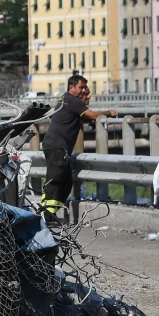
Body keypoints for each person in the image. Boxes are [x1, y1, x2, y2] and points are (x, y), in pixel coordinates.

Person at [41, 75, 116, 222]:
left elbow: (81, 117)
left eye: (85, 88)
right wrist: (108, 113)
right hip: (57, 146)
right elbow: (92, 115)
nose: (83, 91)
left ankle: (50, 212)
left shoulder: (65, 100)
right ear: (71, 88)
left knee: (66, 181)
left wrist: (89, 120)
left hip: (55, 145)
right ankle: (47, 214)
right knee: (55, 180)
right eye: (80, 88)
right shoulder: (72, 100)